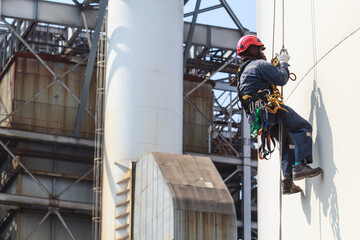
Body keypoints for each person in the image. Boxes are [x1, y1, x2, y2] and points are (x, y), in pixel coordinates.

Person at [236, 35, 323, 195]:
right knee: (303, 127)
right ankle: (299, 166)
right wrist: (283, 63)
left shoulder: (242, 74)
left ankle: (287, 183)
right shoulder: (259, 65)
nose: (263, 52)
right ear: (253, 50)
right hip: (270, 109)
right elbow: (282, 78)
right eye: (260, 49)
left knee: (287, 142)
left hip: (259, 118)